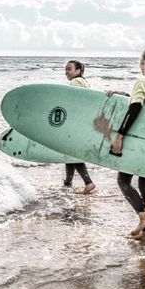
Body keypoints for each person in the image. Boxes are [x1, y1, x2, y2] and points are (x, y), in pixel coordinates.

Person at [106, 46, 145, 241]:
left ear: (144, 63)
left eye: (140, 62)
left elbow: (134, 109)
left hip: (140, 142)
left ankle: (143, 218)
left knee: (123, 181)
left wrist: (120, 135)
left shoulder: (142, 81)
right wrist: (124, 94)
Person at [63, 60, 96, 193]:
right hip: (82, 122)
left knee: (71, 154)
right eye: (65, 69)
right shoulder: (85, 82)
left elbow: (71, 102)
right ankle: (68, 182)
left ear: (78, 71)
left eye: (69, 69)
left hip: (75, 123)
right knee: (68, 153)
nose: (66, 71)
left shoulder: (75, 82)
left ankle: (89, 183)